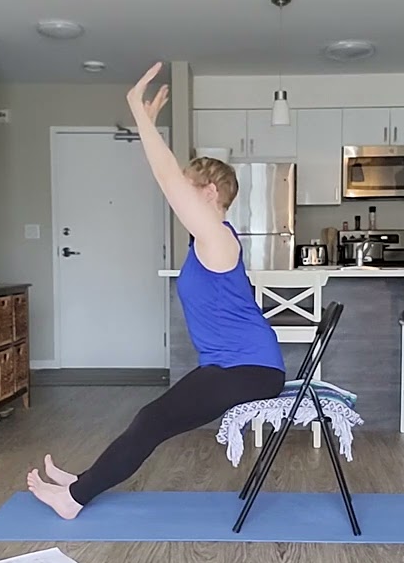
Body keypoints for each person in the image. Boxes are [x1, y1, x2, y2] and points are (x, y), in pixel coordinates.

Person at [26, 62, 287, 519]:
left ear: (209, 193)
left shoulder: (219, 239)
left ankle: (73, 499)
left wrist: (140, 116)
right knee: (151, 418)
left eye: (189, 190)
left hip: (250, 370)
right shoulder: (206, 242)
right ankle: (84, 482)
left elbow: (167, 181)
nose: (179, 197)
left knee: (152, 420)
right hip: (230, 366)